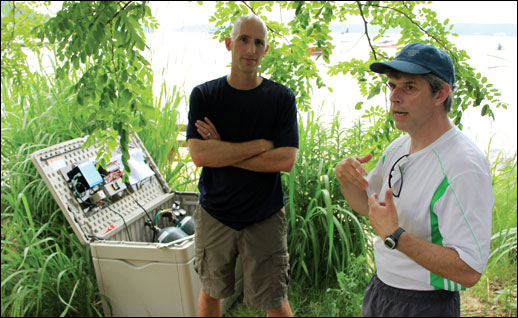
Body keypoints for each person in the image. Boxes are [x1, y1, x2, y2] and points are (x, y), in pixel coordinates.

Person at [335, 43, 494, 317]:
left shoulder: (463, 166)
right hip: (381, 290)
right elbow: (367, 208)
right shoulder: (398, 147)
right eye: (392, 86)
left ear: (440, 93)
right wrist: (346, 178)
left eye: (409, 87)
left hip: (424, 304)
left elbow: (469, 270)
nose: (394, 97)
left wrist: (396, 236)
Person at [186, 14, 298, 317]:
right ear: (228, 44)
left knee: (275, 300)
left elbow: (286, 160)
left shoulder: (281, 98)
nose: (250, 49)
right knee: (210, 293)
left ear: (266, 49)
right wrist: (260, 146)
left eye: (258, 42)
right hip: (215, 214)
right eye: (243, 40)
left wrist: (222, 147)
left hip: (264, 215)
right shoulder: (205, 95)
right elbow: (200, 156)